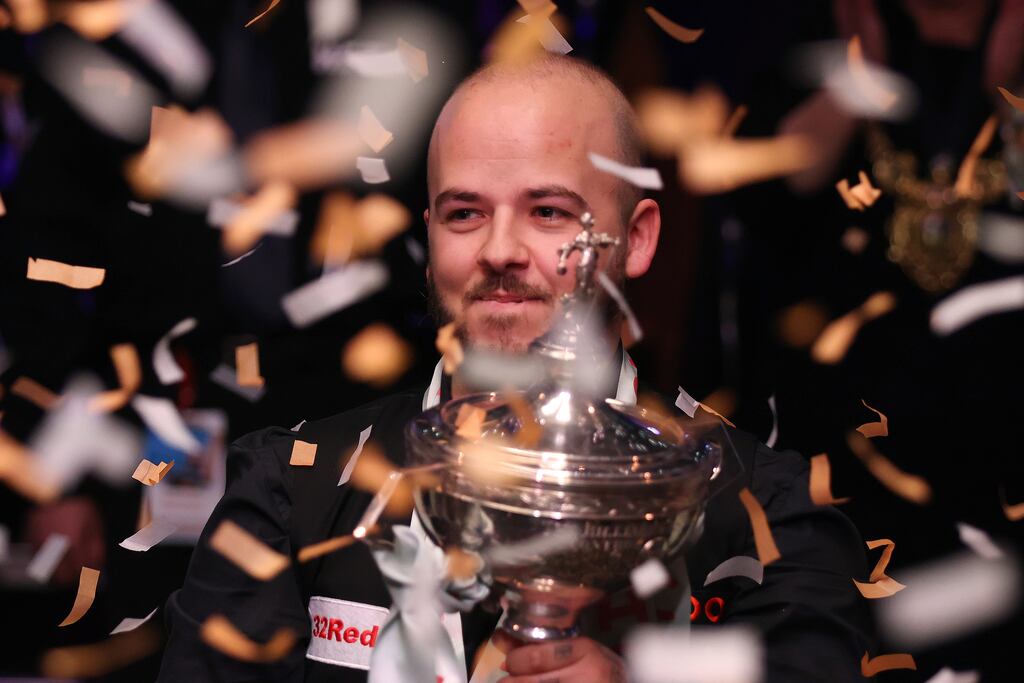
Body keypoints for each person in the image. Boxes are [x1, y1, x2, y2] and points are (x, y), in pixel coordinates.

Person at [158, 55, 873, 683]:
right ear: (430, 233)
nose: (500, 249)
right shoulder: (294, 489)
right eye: (464, 213)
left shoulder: (763, 515)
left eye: (549, 212)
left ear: (639, 238)